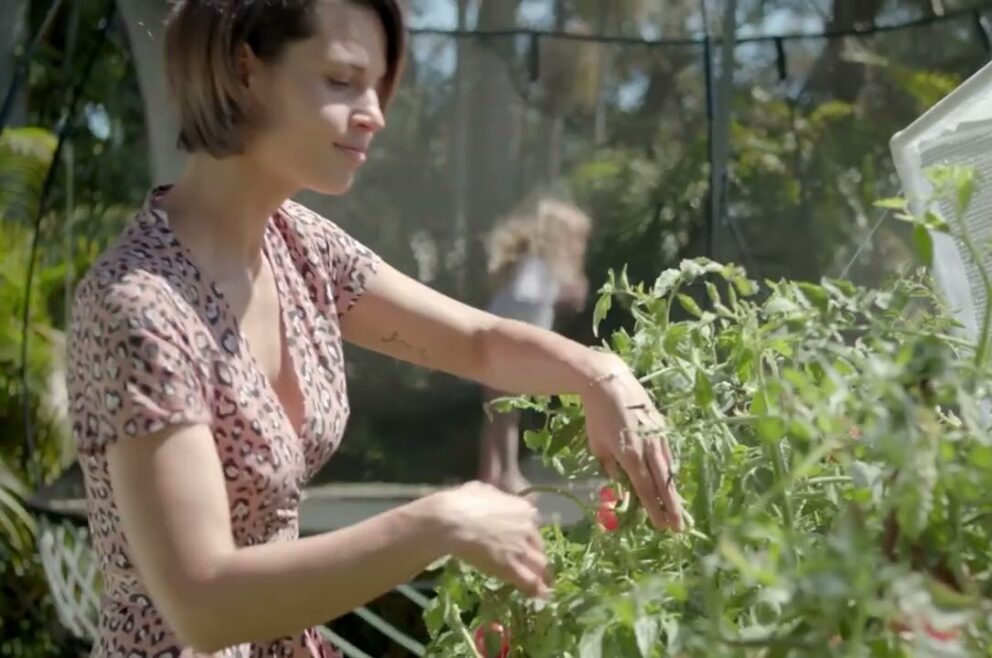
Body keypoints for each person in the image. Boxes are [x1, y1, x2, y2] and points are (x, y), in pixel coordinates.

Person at [63, 1, 684, 656]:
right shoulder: (139, 308)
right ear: (245, 68)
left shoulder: (298, 246)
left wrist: (599, 373)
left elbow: (477, 343)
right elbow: (203, 603)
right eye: (341, 80)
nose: (375, 113)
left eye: (377, 86)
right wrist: (442, 520)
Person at [479, 197, 593, 494]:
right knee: (505, 414)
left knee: (499, 414)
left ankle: (491, 475)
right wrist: (562, 292)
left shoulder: (539, 266)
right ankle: (507, 475)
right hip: (506, 348)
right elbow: (525, 298)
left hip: (501, 347)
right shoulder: (536, 265)